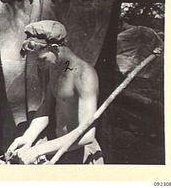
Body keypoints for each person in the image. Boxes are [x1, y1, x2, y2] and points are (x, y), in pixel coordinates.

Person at [6, 20, 104, 164]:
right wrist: (28, 137)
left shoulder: (84, 75)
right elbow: (46, 107)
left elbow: (87, 135)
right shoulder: (57, 67)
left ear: (55, 48)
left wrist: (38, 150)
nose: (38, 64)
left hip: (81, 154)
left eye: (41, 59)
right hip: (57, 147)